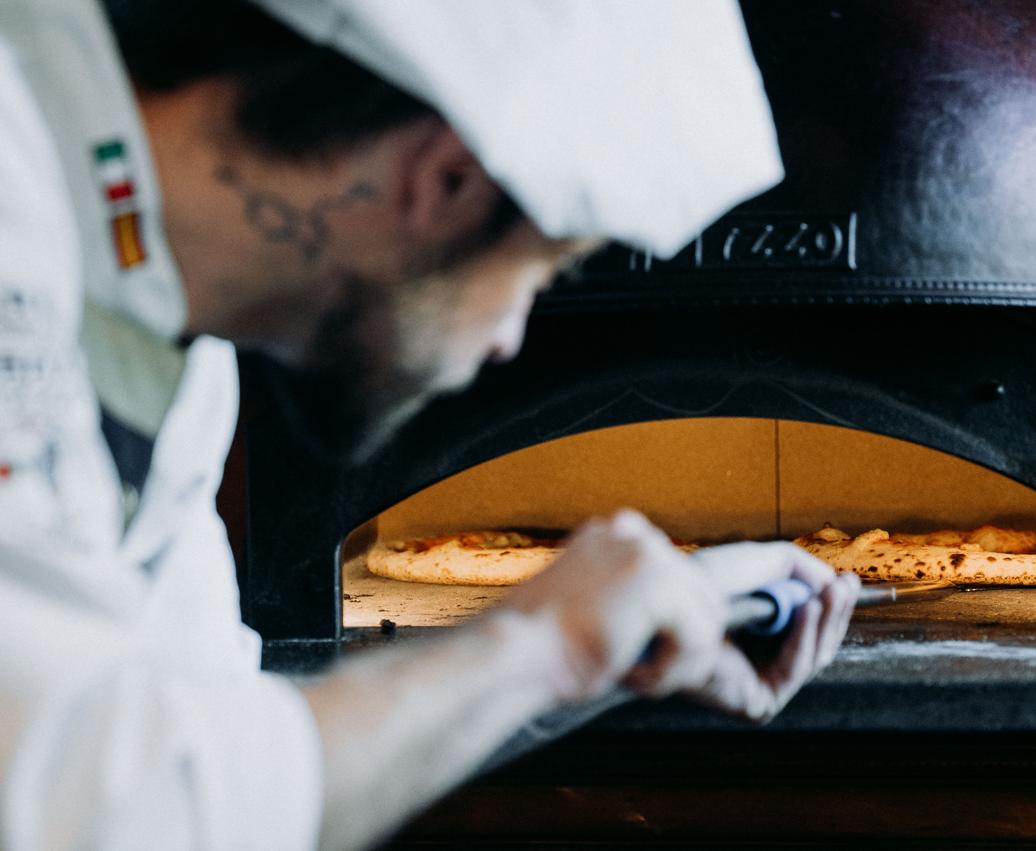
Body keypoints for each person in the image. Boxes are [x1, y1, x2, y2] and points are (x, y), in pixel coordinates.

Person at [0, 0, 861, 848]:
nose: (508, 339)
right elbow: (111, 813)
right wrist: (543, 643)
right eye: (539, 275)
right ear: (444, 179)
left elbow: (227, 764)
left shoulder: (177, 349)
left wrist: (608, 644)